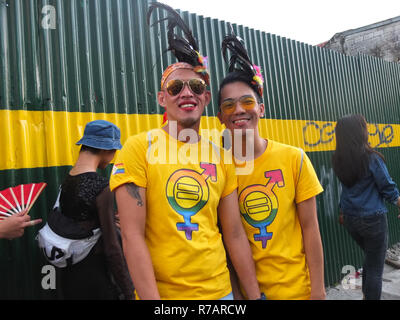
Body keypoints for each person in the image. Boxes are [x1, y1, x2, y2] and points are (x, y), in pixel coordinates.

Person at [109, 3, 261, 300]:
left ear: (205, 97)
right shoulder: (139, 148)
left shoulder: (221, 155)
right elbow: (131, 237)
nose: (186, 92)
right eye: (176, 87)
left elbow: (233, 234)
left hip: (221, 294)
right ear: (161, 99)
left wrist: (254, 297)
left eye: (195, 85)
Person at [217, 34, 326, 300]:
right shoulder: (218, 169)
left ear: (261, 108)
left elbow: (310, 228)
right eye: (229, 105)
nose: (239, 110)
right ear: (220, 117)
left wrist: (319, 290)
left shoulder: (294, 159)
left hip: (298, 291)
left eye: (247, 101)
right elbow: (224, 241)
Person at [37, 120, 134, 300]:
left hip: (69, 276)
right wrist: (129, 292)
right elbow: (112, 248)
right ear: (106, 149)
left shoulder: (68, 179)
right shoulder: (101, 187)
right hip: (95, 280)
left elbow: (80, 217)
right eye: (114, 151)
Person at [332, 114, 400, 300]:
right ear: (359, 133)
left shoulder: (338, 160)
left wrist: (341, 210)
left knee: (371, 260)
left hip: (350, 220)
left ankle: (366, 296)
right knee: (376, 268)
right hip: (373, 220)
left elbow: (345, 189)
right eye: (365, 127)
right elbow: (388, 189)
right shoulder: (372, 159)